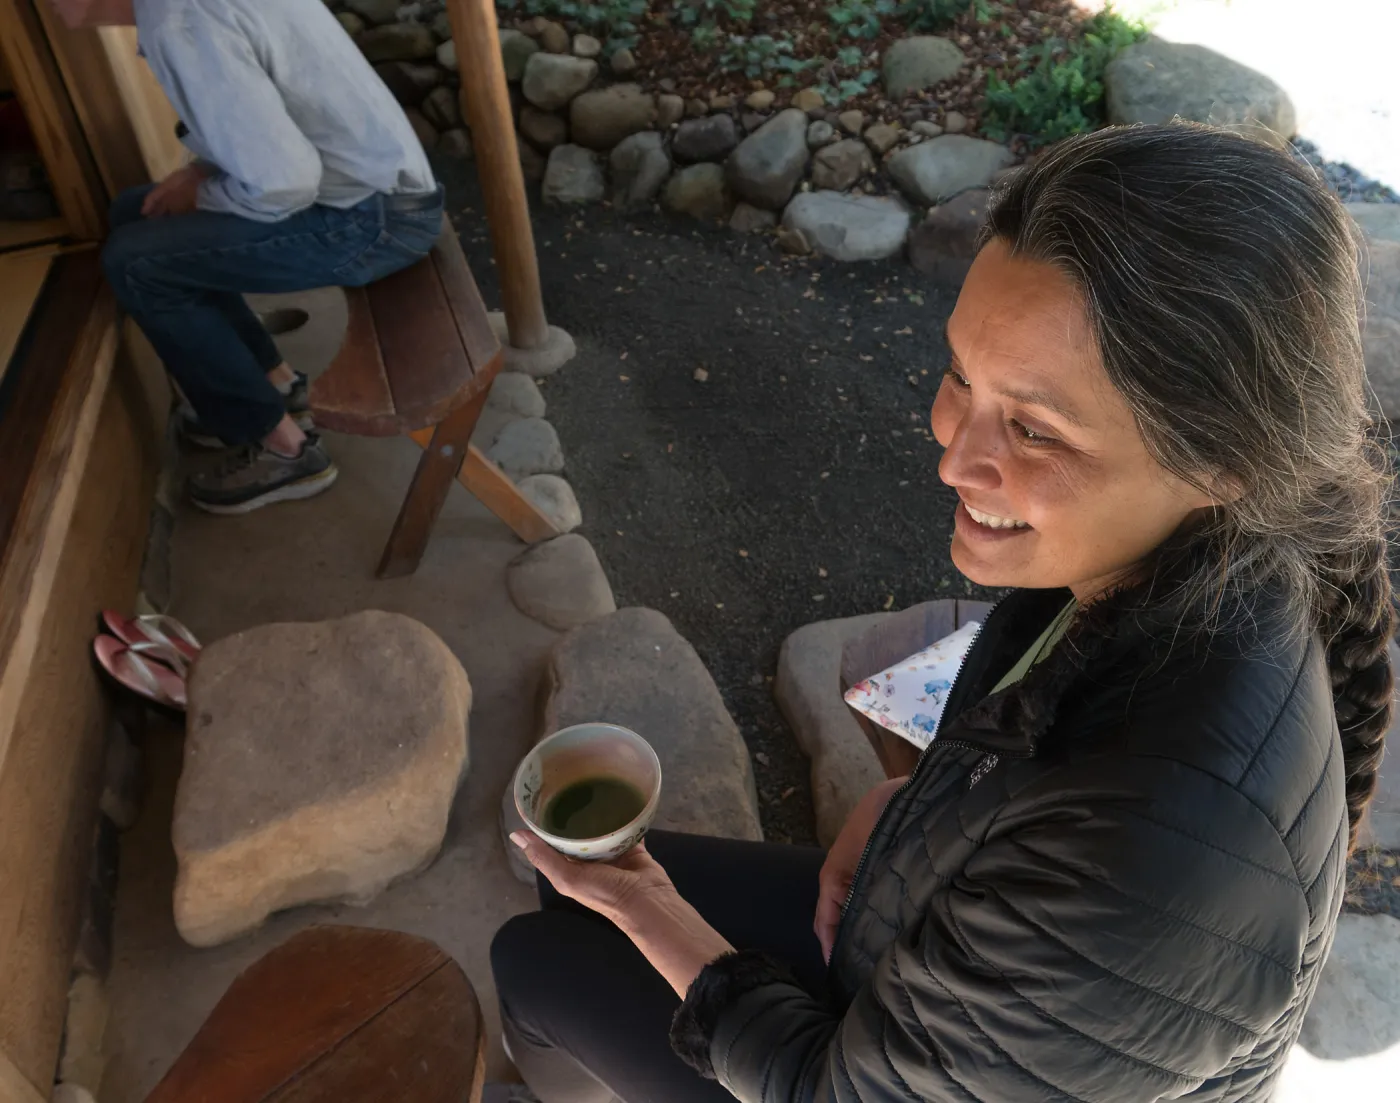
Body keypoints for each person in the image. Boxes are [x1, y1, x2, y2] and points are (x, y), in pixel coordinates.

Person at [491, 123, 1396, 1102]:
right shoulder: (1177, 555)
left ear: (1222, 463)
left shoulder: (1144, 868)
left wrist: (654, 912)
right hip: (953, 969)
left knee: (534, 959)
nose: (952, 458)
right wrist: (906, 810)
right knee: (559, 885)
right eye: (960, 374)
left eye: (1033, 427)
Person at [52, 0, 445, 513]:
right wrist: (201, 172)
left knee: (136, 262)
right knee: (138, 216)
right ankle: (275, 385)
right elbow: (264, 113)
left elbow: (284, 182)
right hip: (379, 194)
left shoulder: (179, 23)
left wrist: (202, 195)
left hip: (372, 223)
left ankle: (282, 448)